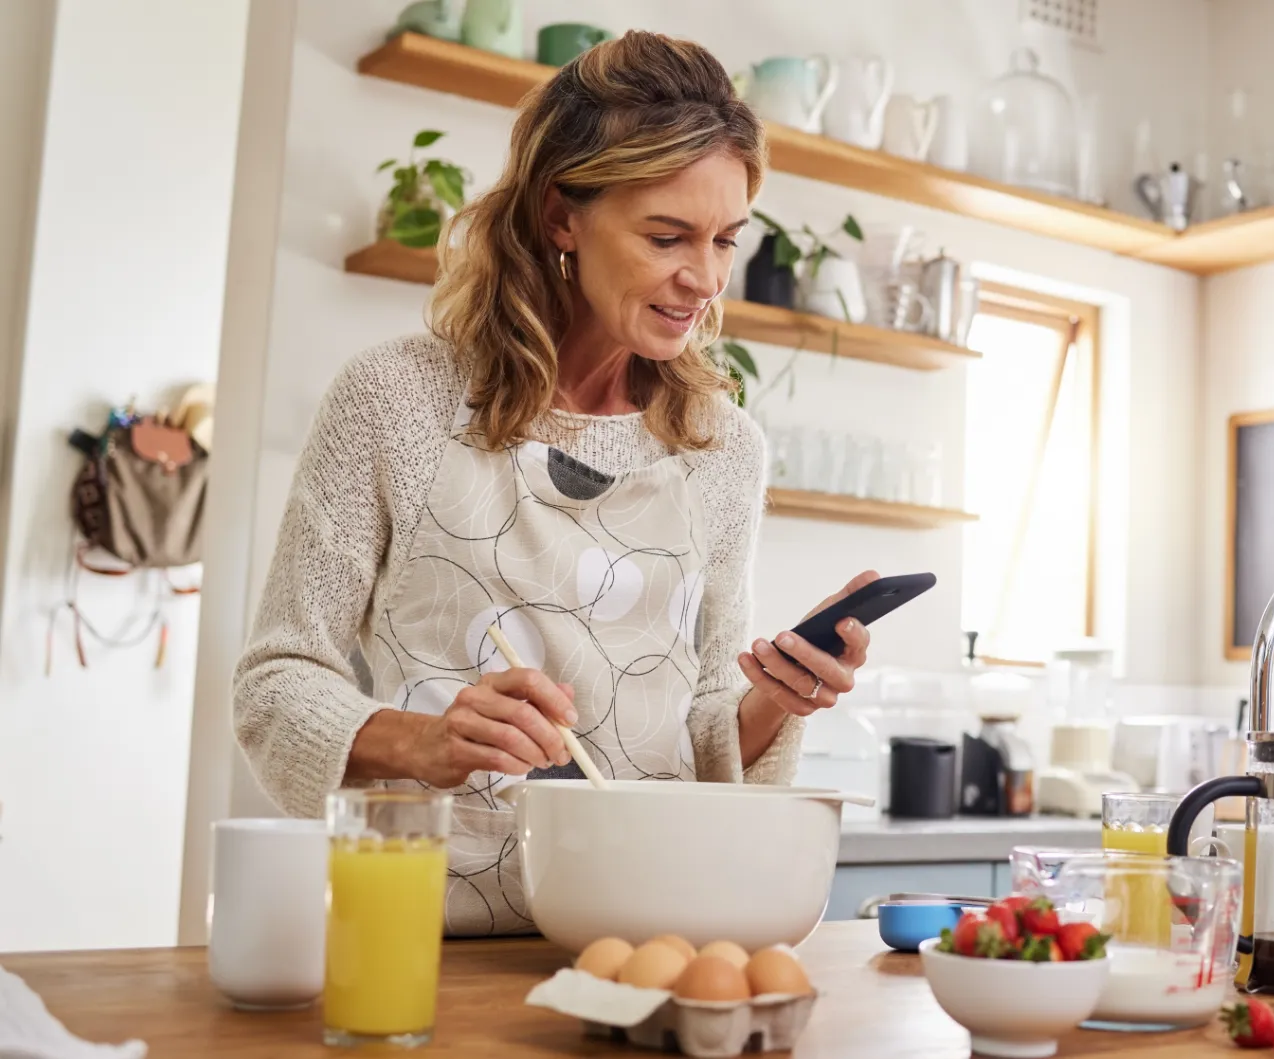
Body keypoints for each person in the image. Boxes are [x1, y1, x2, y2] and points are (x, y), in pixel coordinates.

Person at [233, 31, 873, 935]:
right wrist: (422, 740)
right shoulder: (397, 399)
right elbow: (275, 683)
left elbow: (694, 732)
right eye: (667, 235)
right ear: (559, 215)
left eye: (726, 239)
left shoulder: (722, 447)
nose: (705, 277)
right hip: (426, 937)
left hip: (651, 932)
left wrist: (779, 696)